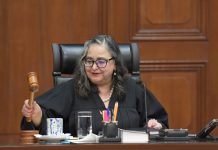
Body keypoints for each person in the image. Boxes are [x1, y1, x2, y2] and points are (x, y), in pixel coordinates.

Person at [21, 35, 168, 136]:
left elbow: (158, 121)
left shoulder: (133, 88)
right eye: (89, 61)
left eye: (101, 61)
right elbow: (46, 119)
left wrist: (156, 125)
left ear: (115, 64)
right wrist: (37, 114)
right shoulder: (72, 88)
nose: (94, 67)